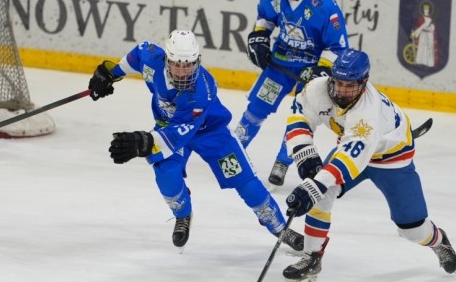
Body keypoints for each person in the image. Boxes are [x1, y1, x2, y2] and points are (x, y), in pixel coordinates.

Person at [88, 29, 305, 254]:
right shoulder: (152, 58)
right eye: (177, 65)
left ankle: (280, 228)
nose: (183, 72)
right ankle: (183, 215)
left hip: (211, 133)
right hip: (169, 127)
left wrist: (143, 141)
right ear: (166, 60)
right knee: (166, 175)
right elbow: (138, 54)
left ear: (197, 61)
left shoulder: (202, 89)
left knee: (247, 183)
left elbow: (180, 134)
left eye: (189, 65)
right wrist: (110, 73)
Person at [279, 49, 456, 282]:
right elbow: (298, 118)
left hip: (392, 159)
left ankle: (438, 240)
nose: (342, 91)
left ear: (364, 83)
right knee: (322, 195)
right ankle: (312, 257)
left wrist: (316, 184)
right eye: (338, 83)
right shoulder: (316, 89)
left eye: (350, 86)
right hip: (354, 148)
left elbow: (350, 160)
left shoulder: (368, 112)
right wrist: (305, 155)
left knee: (412, 230)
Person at [233, 0, 349, 187]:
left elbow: (337, 46)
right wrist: (259, 36)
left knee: (301, 117)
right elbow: (266, 18)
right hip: (280, 62)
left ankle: (282, 161)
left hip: (310, 68)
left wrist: (322, 70)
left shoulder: (325, 4)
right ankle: (232, 150)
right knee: (257, 108)